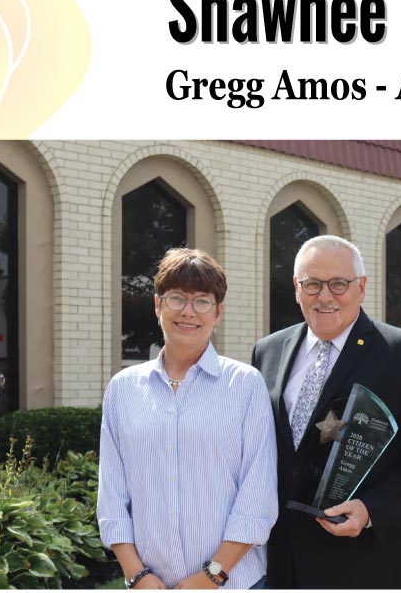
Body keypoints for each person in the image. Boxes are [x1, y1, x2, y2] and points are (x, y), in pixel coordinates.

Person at [251, 235, 401, 589]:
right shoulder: (267, 351)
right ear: (297, 288)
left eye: (339, 284)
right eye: (312, 284)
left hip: (369, 565)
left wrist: (372, 510)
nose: (325, 296)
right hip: (283, 563)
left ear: (361, 288)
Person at [99, 248, 277, 589]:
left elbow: (258, 495)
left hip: (235, 583)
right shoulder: (123, 389)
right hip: (150, 584)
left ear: (219, 311)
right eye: (177, 298)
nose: (188, 311)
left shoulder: (245, 385)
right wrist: (137, 576)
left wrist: (212, 576)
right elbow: (112, 494)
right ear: (157, 305)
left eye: (202, 301)